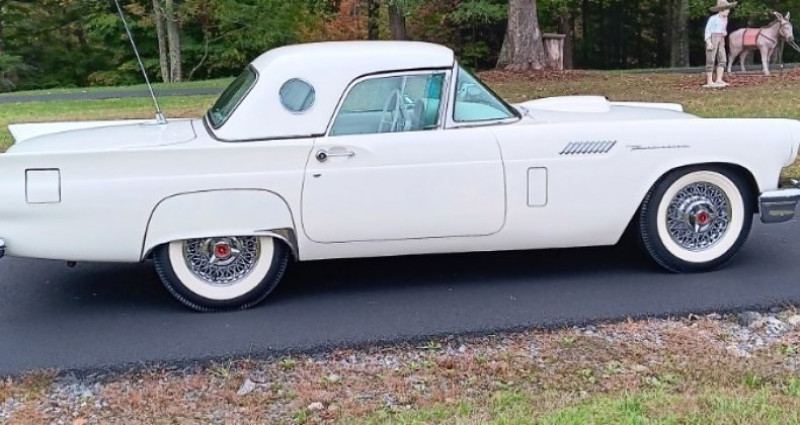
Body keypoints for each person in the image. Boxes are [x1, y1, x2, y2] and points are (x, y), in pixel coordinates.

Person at [704, 0, 737, 88]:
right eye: (727, 9)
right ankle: (709, 80)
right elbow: (708, 30)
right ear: (722, 10)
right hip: (713, 37)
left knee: (722, 58)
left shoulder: (725, 19)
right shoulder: (713, 18)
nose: (728, 11)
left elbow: (723, 28)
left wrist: (724, 32)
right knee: (711, 58)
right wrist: (709, 42)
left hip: (721, 38)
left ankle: (719, 79)